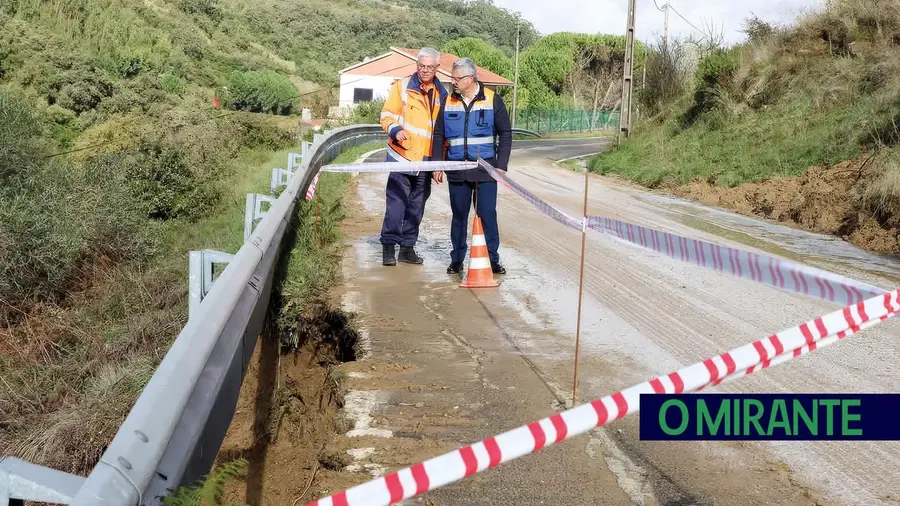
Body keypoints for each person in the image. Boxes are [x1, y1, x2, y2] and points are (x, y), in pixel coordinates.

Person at [430, 57, 512, 276]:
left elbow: (505, 133)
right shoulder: (448, 101)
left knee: (487, 214)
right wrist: (437, 165)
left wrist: (501, 165)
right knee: (459, 216)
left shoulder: (493, 100)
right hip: (456, 170)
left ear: (470, 78)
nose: (453, 82)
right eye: (452, 78)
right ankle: (456, 260)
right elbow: (438, 135)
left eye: (456, 78)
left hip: (486, 170)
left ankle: (492, 259)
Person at [377, 47, 448, 266]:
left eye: (429, 67)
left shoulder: (442, 94)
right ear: (416, 65)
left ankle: (407, 248)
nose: (425, 70)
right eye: (421, 66)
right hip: (402, 156)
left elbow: (442, 132)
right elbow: (387, 114)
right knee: (396, 204)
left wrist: (439, 164)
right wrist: (396, 131)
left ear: (437, 68)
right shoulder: (402, 87)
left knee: (417, 206)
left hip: (426, 161)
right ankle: (389, 247)